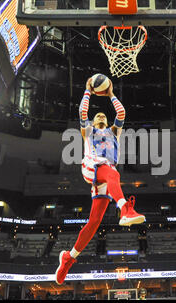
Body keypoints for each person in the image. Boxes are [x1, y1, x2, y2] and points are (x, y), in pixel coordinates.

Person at [55, 77, 145, 285]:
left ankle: (69, 258)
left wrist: (111, 93)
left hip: (106, 174)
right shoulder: (88, 131)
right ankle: (125, 209)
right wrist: (87, 90)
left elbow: (121, 113)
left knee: (94, 222)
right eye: (98, 116)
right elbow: (82, 113)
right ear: (94, 122)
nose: (101, 116)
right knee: (113, 174)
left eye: (104, 114)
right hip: (91, 166)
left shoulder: (115, 132)